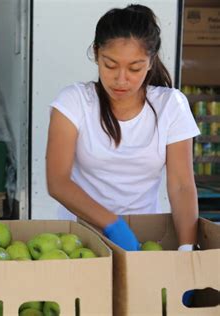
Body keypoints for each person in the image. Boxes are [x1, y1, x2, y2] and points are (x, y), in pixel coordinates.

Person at [46, 4, 199, 252]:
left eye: (135, 68)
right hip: (76, 241)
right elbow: (58, 182)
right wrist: (113, 225)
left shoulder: (171, 106)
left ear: (151, 62)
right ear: (96, 54)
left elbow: (182, 185)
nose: (121, 79)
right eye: (110, 65)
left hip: (145, 237)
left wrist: (186, 251)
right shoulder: (73, 102)